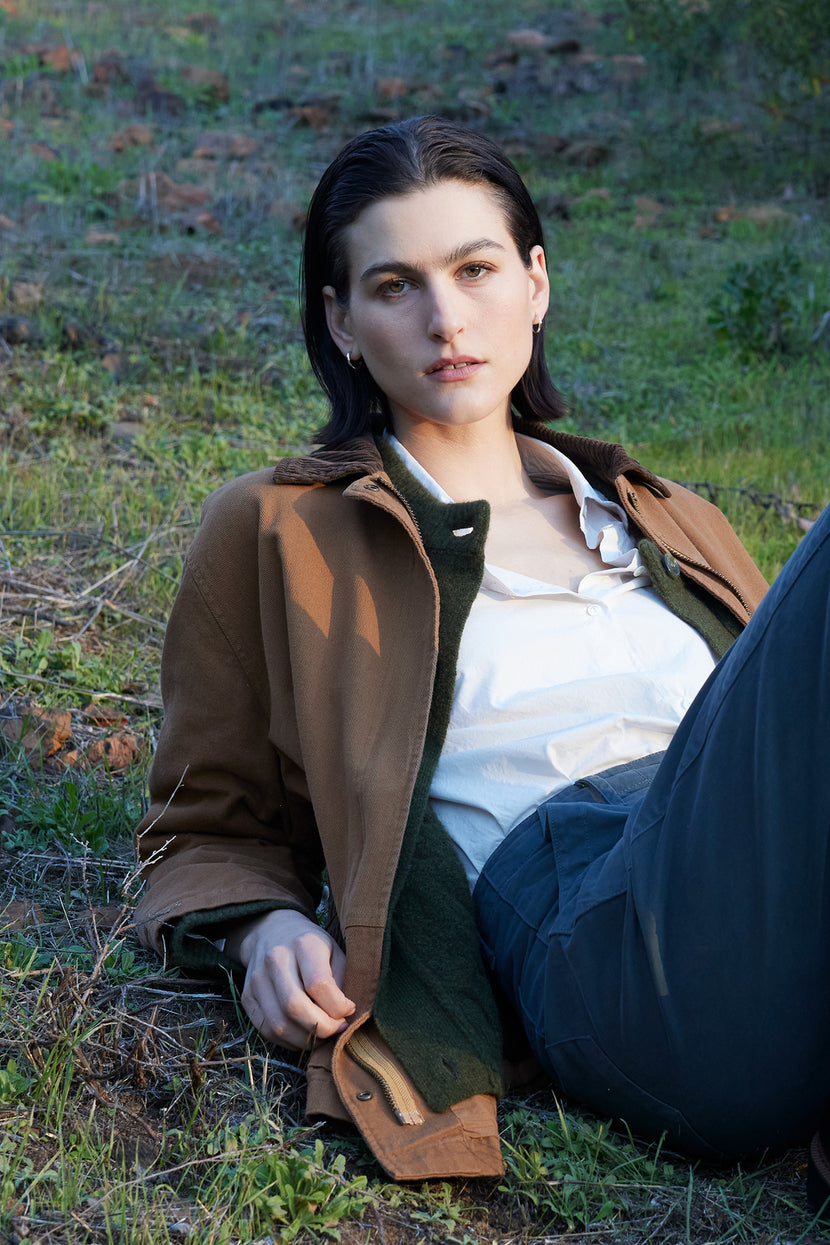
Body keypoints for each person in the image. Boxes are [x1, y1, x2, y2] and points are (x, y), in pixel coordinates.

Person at [134, 116, 830, 1208]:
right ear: (342, 323)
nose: (445, 318)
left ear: (535, 283)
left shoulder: (662, 518)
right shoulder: (282, 529)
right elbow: (199, 821)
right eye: (395, 285)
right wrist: (259, 921)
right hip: (598, 932)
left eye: (474, 269)